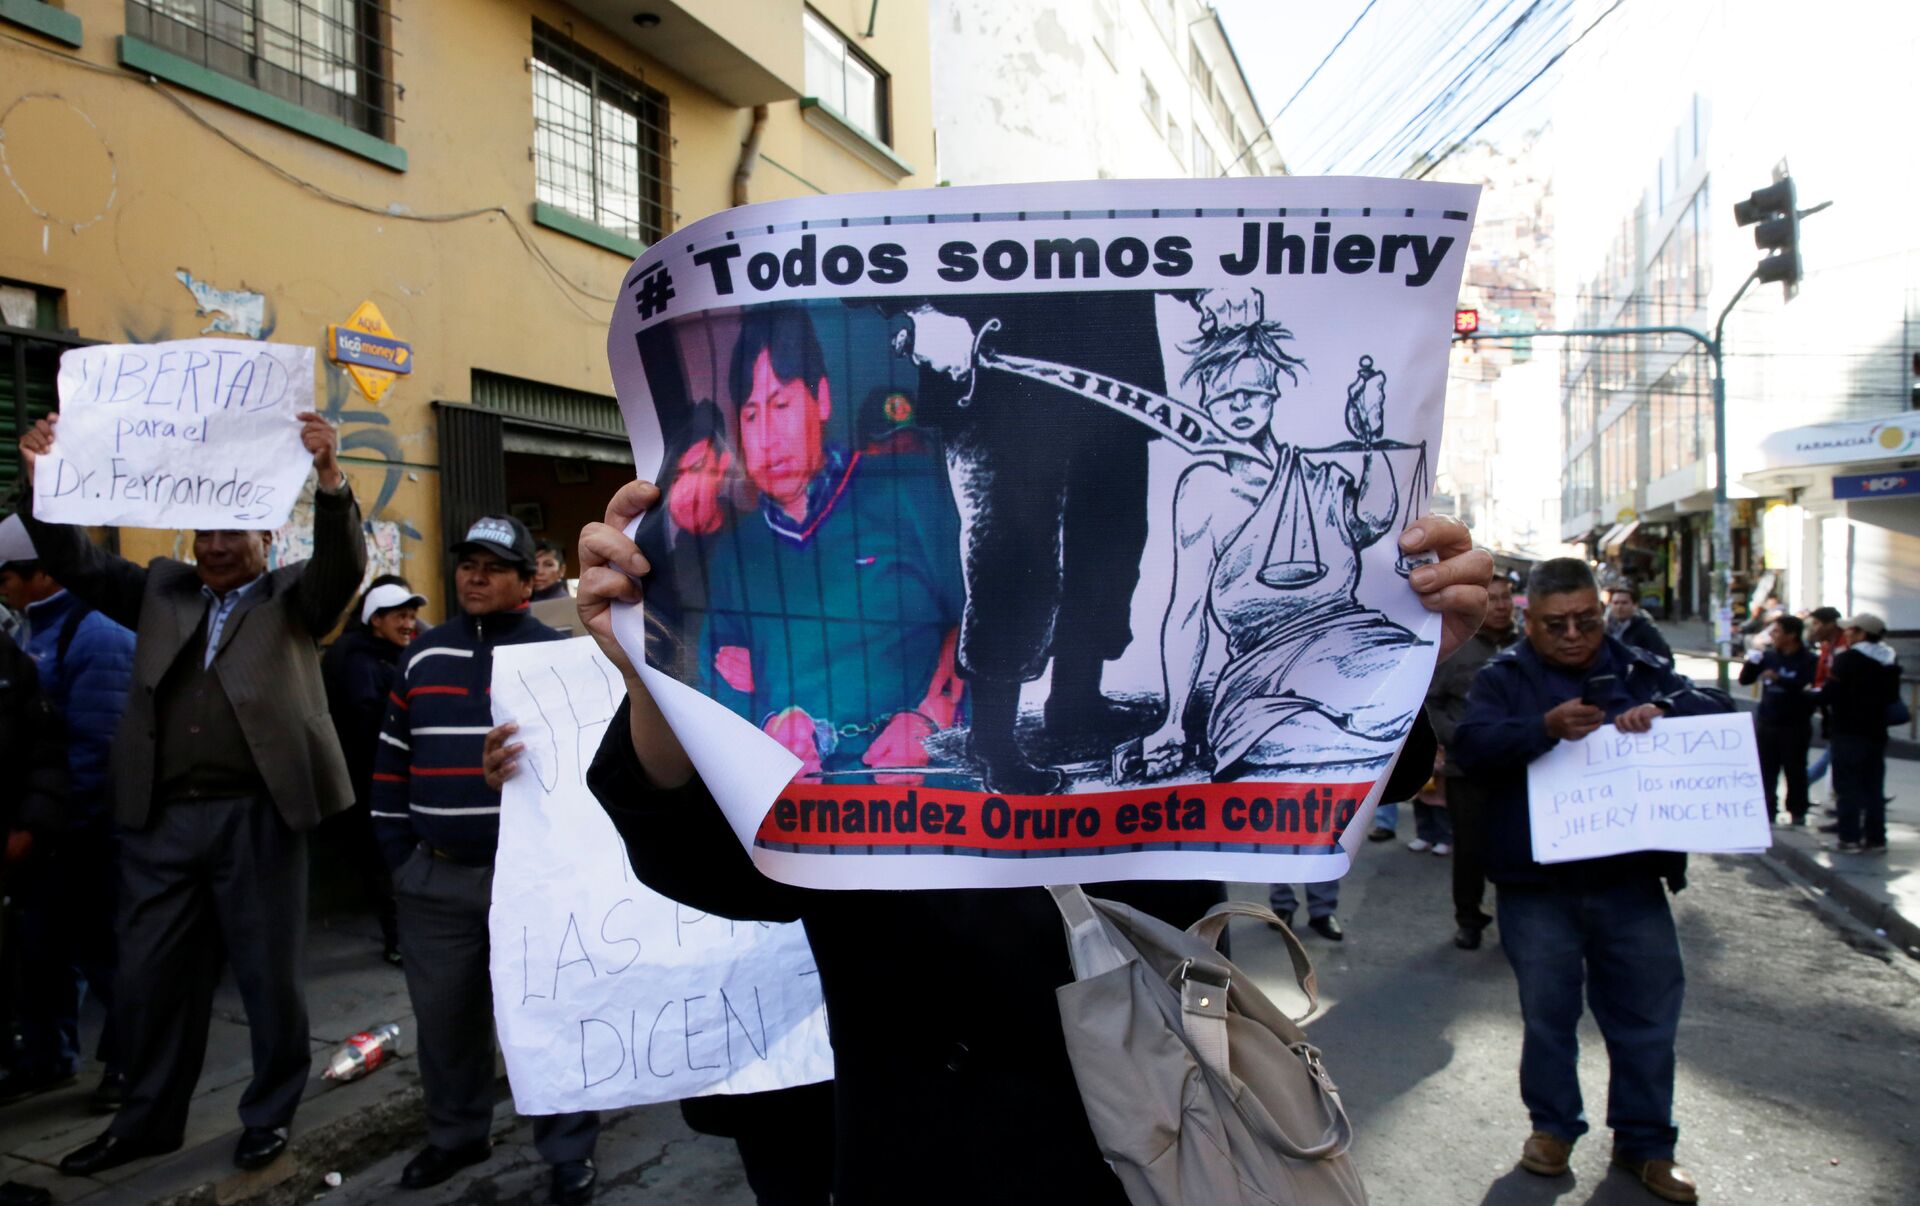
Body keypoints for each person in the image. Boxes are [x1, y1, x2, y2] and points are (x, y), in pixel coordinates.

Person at [571, 476, 1488, 1204]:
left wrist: (1406, 656)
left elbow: (1316, 784)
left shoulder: (1133, 719)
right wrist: (652, 668)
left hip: (1153, 1141)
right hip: (918, 1148)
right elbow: (711, 869)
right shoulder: (847, 743)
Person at [16, 410, 366, 1177]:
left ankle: (269, 1116)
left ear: (267, 538)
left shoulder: (294, 599)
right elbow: (76, 561)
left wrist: (331, 479)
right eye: (204, 533)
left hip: (261, 816)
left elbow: (344, 568)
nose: (215, 545)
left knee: (269, 979)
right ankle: (146, 1122)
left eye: (233, 531)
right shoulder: (159, 593)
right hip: (162, 821)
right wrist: (42, 480)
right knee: (148, 979)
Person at [1452, 558, 1732, 1205]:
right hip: (1537, 888)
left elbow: (1712, 706)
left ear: (1602, 615)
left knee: (1645, 1017)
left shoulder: (1637, 666)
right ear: (1531, 620)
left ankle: (1646, 1145)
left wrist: (1662, 708)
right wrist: (1542, 729)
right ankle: (1552, 1130)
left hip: (1631, 884)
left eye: (1587, 621)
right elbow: (1471, 748)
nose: (1575, 635)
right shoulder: (1504, 678)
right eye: (1558, 625)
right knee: (1548, 1016)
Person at [372, 516, 599, 1205]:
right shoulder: (423, 656)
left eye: (495, 566)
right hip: (435, 878)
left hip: (532, 882)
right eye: (468, 562)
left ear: (529, 581)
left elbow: (586, 773)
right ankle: (456, 1136)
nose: (475, 575)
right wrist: (400, 862)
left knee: (551, 1016)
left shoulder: (562, 657)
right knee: (445, 1024)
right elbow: (391, 765)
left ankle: (569, 1152)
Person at [1138, 302, 1426, 782]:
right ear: (1207, 402)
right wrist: (1171, 722)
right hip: (1259, 666)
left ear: (1272, 395)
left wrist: (1369, 435)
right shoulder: (1204, 489)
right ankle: (1354, 737)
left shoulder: (1318, 476)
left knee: (1398, 687)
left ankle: (1355, 734)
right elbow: (1187, 613)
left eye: (1252, 391)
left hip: (1350, 642)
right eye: (1226, 395)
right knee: (1270, 743)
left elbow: (1374, 520)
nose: (1240, 405)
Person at [683, 306, 967, 782]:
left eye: (781, 405)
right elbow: (719, 678)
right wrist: (771, 724)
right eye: (751, 415)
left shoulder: (909, 498)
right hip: (799, 812)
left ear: (823, 400)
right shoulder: (738, 552)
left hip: (921, 796)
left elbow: (984, 616)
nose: (767, 439)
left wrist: (931, 715)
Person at [0, 549, 136, 1108]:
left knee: (107, 953)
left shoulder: (95, 633)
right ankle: (48, 1056)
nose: (2, 587)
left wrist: (57, 822)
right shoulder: (30, 629)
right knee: (43, 952)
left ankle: (131, 1064)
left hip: (88, 830)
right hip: (46, 831)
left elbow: (97, 745)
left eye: (5, 575)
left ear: (44, 573)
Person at [322, 580, 426, 964]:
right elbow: (370, 727)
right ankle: (399, 941)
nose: (410, 624)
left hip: (386, 780)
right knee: (387, 862)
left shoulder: (385, 653)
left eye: (412, 615)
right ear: (375, 619)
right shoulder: (359, 662)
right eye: (401, 615)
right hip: (371, 782)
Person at [1427, 572, 1521, 949]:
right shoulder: (1457, 648)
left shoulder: (1526, 646)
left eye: (1505, 598)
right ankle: (1469, 918)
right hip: (1468, 767)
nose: (1500, 606)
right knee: (1469, 848)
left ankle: (1516, 916)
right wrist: (1456, 736)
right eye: (1492, 598)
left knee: (1516, 846)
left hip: (1517, 765)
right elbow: (1431, 701)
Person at [1819, 613, 1899, 855]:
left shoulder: (1848, 659)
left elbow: (1830, 692)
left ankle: (1849, 838)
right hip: (1875, 731)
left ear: (1862, 633)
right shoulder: (1889, 659)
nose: (1847, 633)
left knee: (1848, 786)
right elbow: (1892, 697)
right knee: (1873, 787)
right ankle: (1876, 838)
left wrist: (1812, 697)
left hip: (1848, 730)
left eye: (1851, 630)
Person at [1738, 614, 1817, 826]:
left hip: (1794, 723)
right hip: (1768, 720)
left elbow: (1807, 686)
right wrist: (1753, 661)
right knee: (1766, 768)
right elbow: (1745, 680)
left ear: (1791, 635)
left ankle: (1797, 810)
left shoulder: (1808, 659)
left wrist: (1779, 678)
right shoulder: (1769, 656)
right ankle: (1767, 808)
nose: (1773, 635)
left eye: (1777, 632)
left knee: (1795, 768)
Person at [1605, 586, 1673, 666]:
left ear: (1635, 605)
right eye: (1615, 603)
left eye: (1624, 603)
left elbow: (1665, 660)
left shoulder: (1647, 630)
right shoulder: (1604, 629)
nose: (1619, 607)